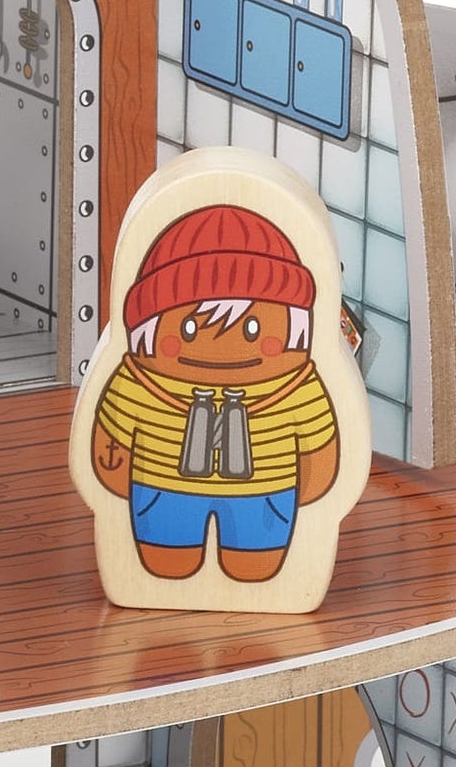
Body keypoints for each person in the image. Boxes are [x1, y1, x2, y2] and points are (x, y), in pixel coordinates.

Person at [83, 204, 342, 582]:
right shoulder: (141, 381)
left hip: (264, 495)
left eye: (252, 329)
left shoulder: (296, 387)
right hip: (162, 488)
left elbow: (318, 446)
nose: (223, 345)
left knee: (254, 566)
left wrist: (312, 482)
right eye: (188, 329)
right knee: (166, 561)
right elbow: (113, 440)